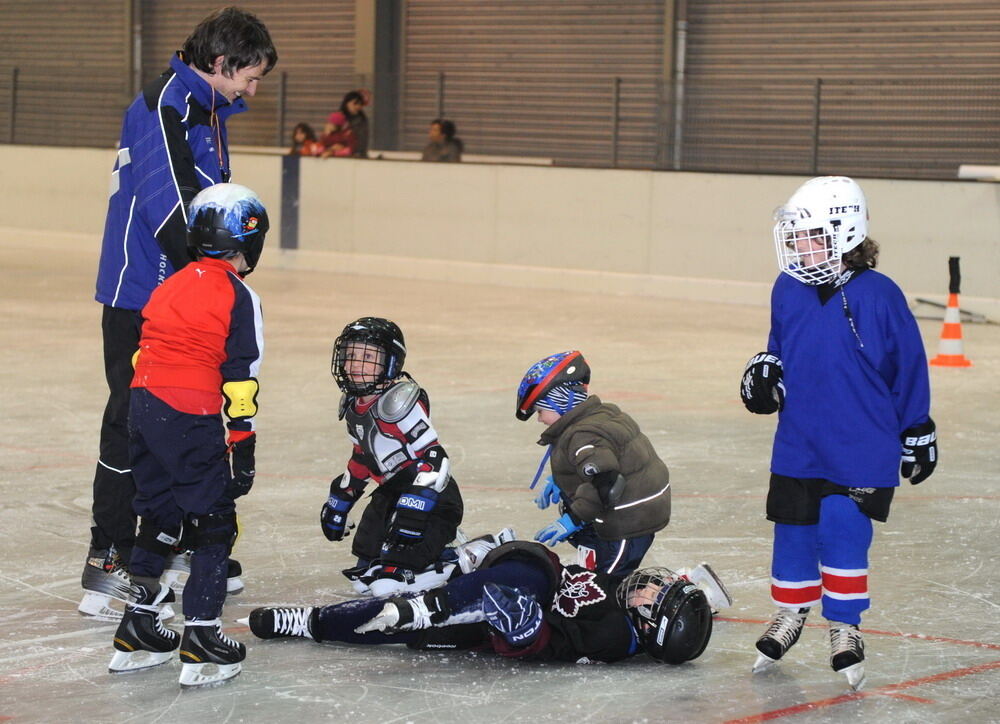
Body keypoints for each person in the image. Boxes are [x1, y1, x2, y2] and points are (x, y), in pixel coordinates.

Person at [85, 6, 277, 621]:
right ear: (221, 64)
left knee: (192, 408)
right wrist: (224, 269)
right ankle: (109, 559)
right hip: (144, 293)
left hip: (187, 288)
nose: (252, 90)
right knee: (134, 417)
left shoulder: (207, 110)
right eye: (249, 77)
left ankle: (180, 538)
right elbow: (175, 215)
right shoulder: (163, 105)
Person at [740, 175, 937, 691]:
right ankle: (791, 613)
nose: (797, 248)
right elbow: (779, 345)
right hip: (799, 443)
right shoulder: (788, 287)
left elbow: (908, 365)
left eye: (807, 236)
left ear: (843, 234)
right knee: (793, 532)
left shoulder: (880, 295)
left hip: (861, 445)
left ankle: (845, 627)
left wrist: (917, 427)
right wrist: (765, 371)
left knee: (842, 533)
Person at [107, 183, 269, 688]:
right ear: (249, 242)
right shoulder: (238, 294)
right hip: (187, 411)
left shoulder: (171, 283)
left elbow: (141, 350)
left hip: (142, 404)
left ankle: (139, 625)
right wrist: (242, 443)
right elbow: (239, 377)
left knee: (159, 512)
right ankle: (202, 637)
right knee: (214, 518)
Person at [248, 540, 716, 666]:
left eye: (658, 594)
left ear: (652, 623)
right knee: (522, 573)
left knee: (407, 629)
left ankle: (310, 622)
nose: (653, 584)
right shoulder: (623, 594)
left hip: (503, 611)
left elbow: (557, 647)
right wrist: (697, 592)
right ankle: (432, 595)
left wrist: (526, 631)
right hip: (528, 576)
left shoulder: (615, 635)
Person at [321, 317, 470, 597]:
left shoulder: (398, 402)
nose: (355, 364)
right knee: (365, 560)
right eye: (350, 355)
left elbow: (435, 458)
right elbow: (363, 458)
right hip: (391, 492)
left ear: (389, 364)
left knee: (390, 578)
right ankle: (396, 560)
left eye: (367, 357)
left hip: (433, 497)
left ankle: (457, 559)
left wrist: (416, 506)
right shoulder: (354, 406)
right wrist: (341, 497)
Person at [514, 351, 675, 583]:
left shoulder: (583, 434)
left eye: (540, 411)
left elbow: (607, 484)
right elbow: (595, 462)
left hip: (628, 523)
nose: (539, 419)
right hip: (631, 506)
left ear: (561, 402)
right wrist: (560, 482)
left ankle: (664, 591)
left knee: (606, 586)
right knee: (595, 564)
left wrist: (571, 521)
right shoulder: (594, 415)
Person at [321, 90, 370, 158]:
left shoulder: (362, 120)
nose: (357, 106)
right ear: (347, 103)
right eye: (355, 103)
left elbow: (362, 140)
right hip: (336, 154)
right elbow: (328, 137)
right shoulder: (338, 117)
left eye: (360, 104)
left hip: (355, 154)